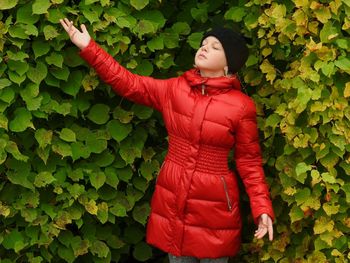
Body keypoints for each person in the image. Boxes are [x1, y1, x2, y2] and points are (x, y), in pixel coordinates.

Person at [59, 18, 274, 263]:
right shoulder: (175, 89)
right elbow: (129, 84)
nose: (204, 48)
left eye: (215, 47)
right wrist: (89, 47)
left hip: (215, 207)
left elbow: (249, 163)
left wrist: (262, 209)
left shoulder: (241, 106)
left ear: (229, 64)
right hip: (173, 195)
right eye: (204, 43)